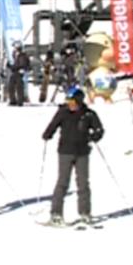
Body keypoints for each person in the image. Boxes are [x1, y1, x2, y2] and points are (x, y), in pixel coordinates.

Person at [42, 87, 104, 225]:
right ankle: (56, 213)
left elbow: (99, 129)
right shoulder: (63, 112)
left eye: (73, 101)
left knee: (83, 183)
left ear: (80, 101)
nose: (71, 104)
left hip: (82, 152)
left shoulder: (88, 114)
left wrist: (94, 136)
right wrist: (47, 134)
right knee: (62, 182)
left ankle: (85, 213)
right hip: (65, 151)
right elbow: (53, 125)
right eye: (68, 101)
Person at [7, 42, 29, 106]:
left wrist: (12, 67)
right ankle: (13, 100)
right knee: (11, 86)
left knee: (19, 87)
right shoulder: (15, 55)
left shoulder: (22, 56)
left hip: (19, 72)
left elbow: (22, 64)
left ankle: (20, 101)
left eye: (15, 48)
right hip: (15, 72)